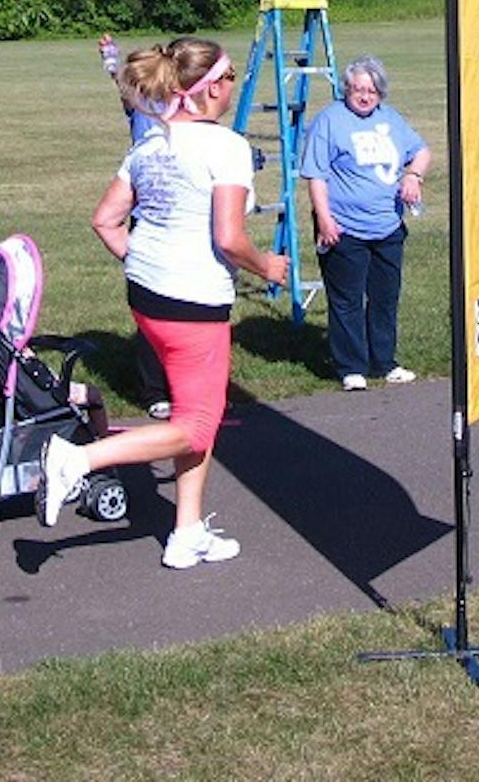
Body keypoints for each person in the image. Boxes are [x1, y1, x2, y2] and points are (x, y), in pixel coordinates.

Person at [49, 38, 288, 568]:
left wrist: (145, 261)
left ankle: (187, 531)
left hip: (147, 295)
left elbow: (105, 220)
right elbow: (229, 238)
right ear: (209, 89)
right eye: (229, 78)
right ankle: (78, 459)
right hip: (193, 302)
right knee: (198, 425)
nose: (232, 87)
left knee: (194, 411)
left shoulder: (149, 143)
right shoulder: (224, 147)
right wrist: (267, 267)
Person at [299, 55, 431, 390]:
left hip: (387, 225)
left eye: (372, 90)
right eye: (358, 89)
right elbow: (316, 175)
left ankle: (384, 361)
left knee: (385, 297)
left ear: (381, 93)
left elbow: (422, 151)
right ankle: (351, 367)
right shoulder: (330, 121)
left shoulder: (391, 119)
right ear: (346, 89)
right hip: (344, 226)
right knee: (347, 300)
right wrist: (325, 220)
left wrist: (413, 176)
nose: (364, 96)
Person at [100, 33, 172, 418]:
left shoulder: (182, 105)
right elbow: (123, 85)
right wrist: (111, 61)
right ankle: (153, 387)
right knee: (150, 305)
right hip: (146, 214)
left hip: (176, 213)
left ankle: (179, 382)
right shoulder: (140, 107)